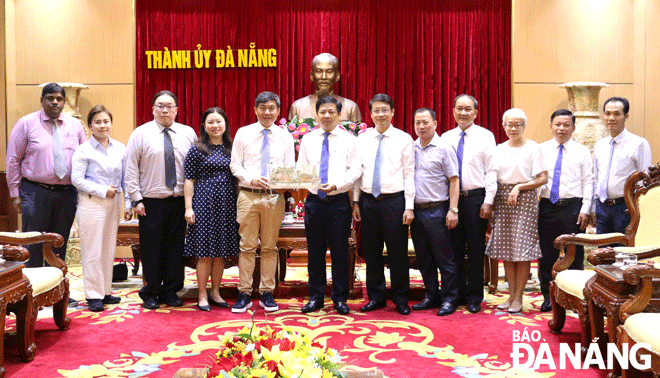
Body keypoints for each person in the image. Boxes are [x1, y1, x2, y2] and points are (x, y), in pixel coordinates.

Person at [6, 82, 86, 307]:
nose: (55, 102)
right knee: (33, 243)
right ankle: (30, 296)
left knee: (59, 243)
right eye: (50, 98)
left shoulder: (74, 126)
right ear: (42, 100)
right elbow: (13, 159)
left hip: (66, 193)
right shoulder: (26, 124)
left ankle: (58, 293)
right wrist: (14, 193)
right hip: (35, 191)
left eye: (59, 98)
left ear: (63, 101)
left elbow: (84, 158)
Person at [124, 90, 197, 310]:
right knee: (151, 248)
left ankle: (172, 290)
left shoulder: (188, 133)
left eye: (169, 106)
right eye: (160, 105)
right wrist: (135, 199)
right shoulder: (141, 133)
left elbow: (193, 170)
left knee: (175, 248)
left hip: (178, 202)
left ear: (176, 109)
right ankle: (151, 291)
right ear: (153, 108)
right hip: (150, 202)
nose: (165, 110)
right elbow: (130, 168)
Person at [230, 91, 295, 313]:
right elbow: (235, 165)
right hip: (248, 195)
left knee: (269, 247)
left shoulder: (285, 136)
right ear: (256, 109)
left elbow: (290, 168)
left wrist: (288, 181)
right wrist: (251, 178)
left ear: (278, 111)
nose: (267, 112)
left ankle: (267, 292)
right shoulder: (243, 133)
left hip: (274, 197)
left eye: (272, 108)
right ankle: (244, 293)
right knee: (246, 246)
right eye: (263, 108)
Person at [297, 96, 361, 315]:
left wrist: (337, 185)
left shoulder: (349, 140)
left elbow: (355, 170)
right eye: (322, 111)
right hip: (314, 202)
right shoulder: (308, 139)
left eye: (331, 112)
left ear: (339, 114)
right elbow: (301, 167)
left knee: (340, 252)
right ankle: (315, 297)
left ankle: (340, 298)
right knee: (314, 253)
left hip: (339, 203)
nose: (326, 115)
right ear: (316, 114)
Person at [352, 93, 415, 316]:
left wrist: (409, 206)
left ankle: (400, 299)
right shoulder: (362, 139)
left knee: (398, 253)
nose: (380, 114)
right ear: (370, 113)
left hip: (394, 202)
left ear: (392, 112)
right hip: (368, 201)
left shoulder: (403, 138)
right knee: (371, 253)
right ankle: (376, 297)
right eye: (376, 110)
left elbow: (409, 174)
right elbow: (358, 174)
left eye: (384, 110)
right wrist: (356, 201)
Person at [485, 108, 547, 314]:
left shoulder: (533, 148)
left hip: (525, 199)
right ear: (503, 126)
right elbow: (493, 176)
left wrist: (519, 187)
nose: (513, 128)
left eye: (518, 124)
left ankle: (519, 298)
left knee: (521, 251)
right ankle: (511, 296)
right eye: (509, 124)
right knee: (507, 251)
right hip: (503, 200)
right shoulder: (499, 148)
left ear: (524, 126)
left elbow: (542, 178)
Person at [71, 105, 131, 312]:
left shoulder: (120, 148)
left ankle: (105, 291)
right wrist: (101, 190)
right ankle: (93, 295)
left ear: (111, 124)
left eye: (106, 121)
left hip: (113, 203)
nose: (102, 125)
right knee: (92, 250)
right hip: (91, 203)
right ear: (90, 126)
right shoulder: (83, 150)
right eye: (97, 122)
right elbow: (76, 179)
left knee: (107, 249)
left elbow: (125, 179)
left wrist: (128, 205)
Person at [441, 94, 496, 314]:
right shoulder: (445, 137)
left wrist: (489, 200)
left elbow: (492, 170)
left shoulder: (486, 136)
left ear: (475, 112)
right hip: (451, 200)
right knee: (453, 249)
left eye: (468, 109)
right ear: (453, 111)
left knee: (475, 249)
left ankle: (474, 296)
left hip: (476, 199)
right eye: (459, 109)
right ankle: (455, 295)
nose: (463, 113)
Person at [183, 108, 240, 312]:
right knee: (205, 253)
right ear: (204, 126)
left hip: (227, 204)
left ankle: (216, 292)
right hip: (203, 203)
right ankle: (201, 294)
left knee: (220, 254)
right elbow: (189, 180)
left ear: (225, 124)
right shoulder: (197, 149)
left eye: (219, 121)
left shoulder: (232, 148)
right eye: (210, 122)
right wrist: (188, 208)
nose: (215, 126)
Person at [537, 109, 593, 312]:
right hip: (547, 207)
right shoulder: (540, 149)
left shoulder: (582, 151)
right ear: (551, 126)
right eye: (558, 124)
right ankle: (547, 296)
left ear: (573, 128)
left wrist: (586, 208)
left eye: (566, 125)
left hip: (573, 208)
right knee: (546, 253)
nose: (561, 128)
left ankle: (575, 296)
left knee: (575, 254)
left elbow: (589, 181)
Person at [410, 108, 460, 316]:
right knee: (424, 258)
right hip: (417, 211)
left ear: (435, 124)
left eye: (425, 122)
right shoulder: (411, 147)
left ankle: (450, 298)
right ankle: (431, 295)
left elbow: (454, 180)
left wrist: (453, 210)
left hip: (438, 210)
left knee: (444, 258)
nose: (421, 127)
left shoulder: (444, 147)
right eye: (417, 123)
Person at [591, 97, 652, 234]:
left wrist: (637, 209)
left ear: (626, 116)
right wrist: (594, 208)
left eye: (616, 114)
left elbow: (645, 181)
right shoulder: (600, 145)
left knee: (623, 252)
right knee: (603, 252)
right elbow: (595, 178)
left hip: (625, 208)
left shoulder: (639, 144)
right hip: (602, 208)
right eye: (607, 113)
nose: (611, 118)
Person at [288, 53, 361, 123]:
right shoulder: (297, 107)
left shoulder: (350, 108)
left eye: (329, 72)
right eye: (319, 71)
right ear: (312, 76)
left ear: (337, 76)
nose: (324, 77)